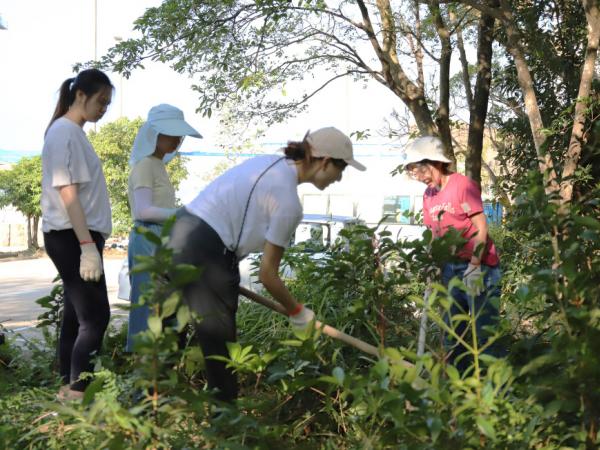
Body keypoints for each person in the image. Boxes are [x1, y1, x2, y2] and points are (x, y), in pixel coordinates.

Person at [167, 127, 366, 402]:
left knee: (165, 338)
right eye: (340, 168)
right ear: (324, 161)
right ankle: (225, 430)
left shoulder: (268, 163)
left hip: (177, 233)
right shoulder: (288, 202)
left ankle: (148, 416)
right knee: (220, 354)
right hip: (207, 251)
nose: (339, 178)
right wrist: (298, 312)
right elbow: (268, 275)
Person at [41, 69, 114, 401]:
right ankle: (78, 392)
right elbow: (66, 191)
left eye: (108, 104)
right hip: (72, 237)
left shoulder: (74, 132)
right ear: (80, 95)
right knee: (96, 317)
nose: (103, 109)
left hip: (79, 236)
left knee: (77, 315)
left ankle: (67, 387)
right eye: (101, 101)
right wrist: (87, 246)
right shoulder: (64, 133)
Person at [402, 136, 501, 372]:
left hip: (481, 268)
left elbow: (481, 227)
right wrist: (432, 261)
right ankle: (458, 388)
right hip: (451, 268)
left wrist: (475, 265)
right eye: (414, 171)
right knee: (451, 332)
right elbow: (435, 233)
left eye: (420, 170)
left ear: (435, 163)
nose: (419, 177)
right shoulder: (429, 195)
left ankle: (492, 391)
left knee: (483, 332)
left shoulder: (462, 185)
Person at [126, 104, 202, 351]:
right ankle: (144, 383)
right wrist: (184, 214)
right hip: (148, 239)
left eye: (179, 135)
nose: (177, 140)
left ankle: (163, 377)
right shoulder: (145, 165)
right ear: (154, 134)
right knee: (150, 309)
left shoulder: (158, 165)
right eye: (171, 134)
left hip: (162, 239)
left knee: (169, 308)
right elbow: (143, 210)